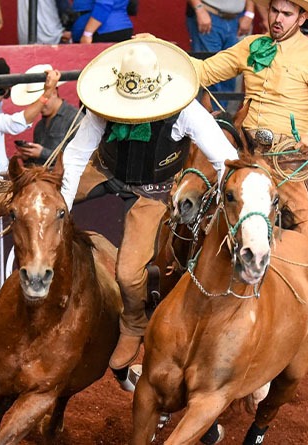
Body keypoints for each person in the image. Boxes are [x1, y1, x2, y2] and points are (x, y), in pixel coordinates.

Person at [60, 38, 238, 378]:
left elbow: (223, 159)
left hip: (156, 191)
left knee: (128, 274)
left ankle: (133, 322)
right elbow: (75, 156)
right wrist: (61, 212)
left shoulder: (185, 110)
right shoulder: (102, 107)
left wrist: (214, 203)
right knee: (40, 195)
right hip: (106, 170)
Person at [190, 0, 308, 252]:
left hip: (286, 160)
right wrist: (163, 54)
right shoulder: (250, 45)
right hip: (244, 154)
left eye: (287, 14)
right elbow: (203, 71)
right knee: (190, 208)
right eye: (275, 11)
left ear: (301, 18)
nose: (278, 19)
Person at [9, 63, 83, 166]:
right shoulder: (40, 126)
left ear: (54, 92)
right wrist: (28, 157)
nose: (39, 106)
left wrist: (42, 153)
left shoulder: (75, 119)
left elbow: (82, 158)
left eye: (41, 101)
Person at [185, 0, 255, 109]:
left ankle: (222, 121)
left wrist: (249, 13)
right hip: (209, 15)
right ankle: (210, 122)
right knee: (207, 81)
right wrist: (199, 8)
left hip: (236, 19)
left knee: (230, 78)